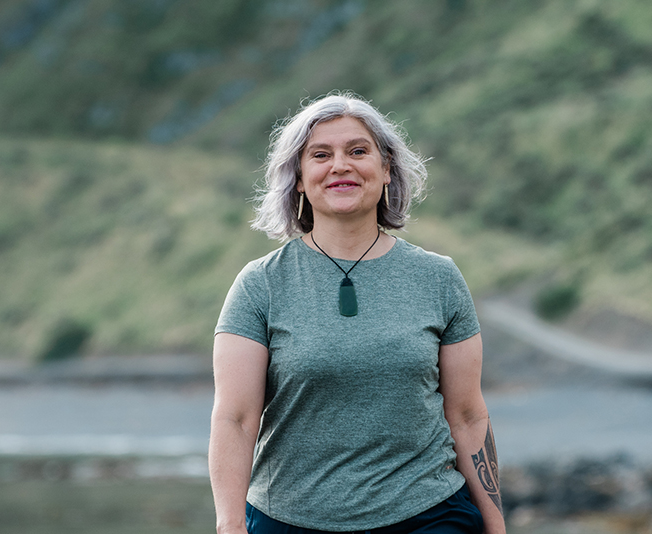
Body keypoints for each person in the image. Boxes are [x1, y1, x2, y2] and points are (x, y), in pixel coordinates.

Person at [209, 92, 506, 534]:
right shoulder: (260, 285)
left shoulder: (438, 278)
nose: (341, 166)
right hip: (291, 520)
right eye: (321, 155)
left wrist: (496, 525)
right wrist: (231, 526)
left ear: (386, 170)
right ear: (299, 179)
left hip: (428, 515)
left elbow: (467, 415)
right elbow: (235, 418)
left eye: (358, 151)